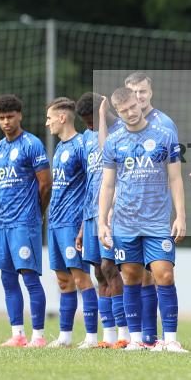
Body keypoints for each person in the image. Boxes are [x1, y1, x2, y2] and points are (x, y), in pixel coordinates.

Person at [98, 86, 187, 352]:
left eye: (133, 107)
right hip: (125, 223)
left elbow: (175, 178)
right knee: (131, 278)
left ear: (140, 102)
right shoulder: (113, 142)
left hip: (157, 222)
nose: (130, 113)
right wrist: (102, 222)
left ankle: (170, 340)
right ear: (118, 112)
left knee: (164, 275)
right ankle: (136, 340)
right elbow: (107, 185)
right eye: (124, 111)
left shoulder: (165, 135)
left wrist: (180, 215)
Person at [0, 94, 52, 348]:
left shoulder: (32, 144)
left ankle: (38, 336)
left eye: (10, 117)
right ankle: (17, 334)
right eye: (1, 118)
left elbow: (45, 184)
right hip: (3, 223)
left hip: (25, 222)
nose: (6, 122)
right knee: (7, 279)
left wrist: (38, 212)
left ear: (20, 116)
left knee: (29, 277)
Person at [124, 71, 178, 347]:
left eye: (142, 91)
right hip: (129, 217)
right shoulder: (123, 127)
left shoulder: (164, 124)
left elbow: (172, 173)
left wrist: (174, 212)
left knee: (160, 274)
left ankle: (167, 338)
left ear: (150, 92)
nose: (139, 96)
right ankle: (146, 337)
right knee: (139, 276)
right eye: (133, 92)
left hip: (156, 216)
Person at [75, 92, 129, 348]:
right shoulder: (87, 137)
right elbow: (90, 180)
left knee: (110, 267)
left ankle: (125, 332)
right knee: (98, 271)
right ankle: (108, 336)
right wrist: (82, 226)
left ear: (102, 111)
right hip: (90, 214)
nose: (88, 126)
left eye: (91, 120)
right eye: (85, 122)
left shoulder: (123, 131)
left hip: (114, 212)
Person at [44, 97, 97, 348]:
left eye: (50, 118)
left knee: (81, 278)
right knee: (63, 281)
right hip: (55, 222)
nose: (47, 123)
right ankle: (65, 337)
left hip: (72, 221)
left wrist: (84, 224)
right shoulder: (60, 148)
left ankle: (91, 337)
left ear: (62, 117)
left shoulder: (81, 145)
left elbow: (93, 184)